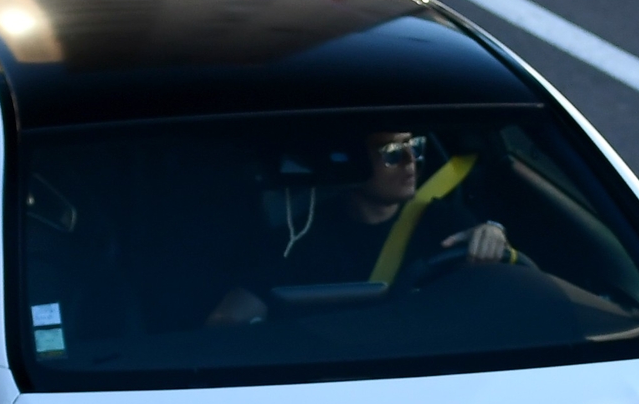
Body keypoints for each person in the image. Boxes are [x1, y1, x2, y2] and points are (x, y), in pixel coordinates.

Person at [206, 131, 510, 325]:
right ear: (350, 163)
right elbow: (230, 318)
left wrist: (491, 238)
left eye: (413, 146)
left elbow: (492, 300)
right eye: (391, 153)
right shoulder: (298, 238)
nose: (410, 162)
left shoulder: (446, 222)